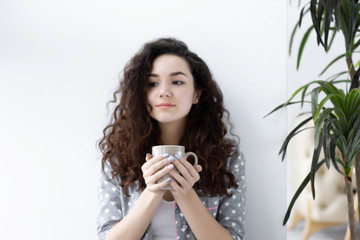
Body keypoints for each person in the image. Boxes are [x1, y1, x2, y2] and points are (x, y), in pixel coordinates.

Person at [96, 38, 246, 240]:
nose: (164, 92)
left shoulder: (227, 157)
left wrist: (185, 194)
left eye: (177, 82)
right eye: (153, 83)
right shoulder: (118, 157)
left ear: (196, 94)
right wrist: (152, 191)